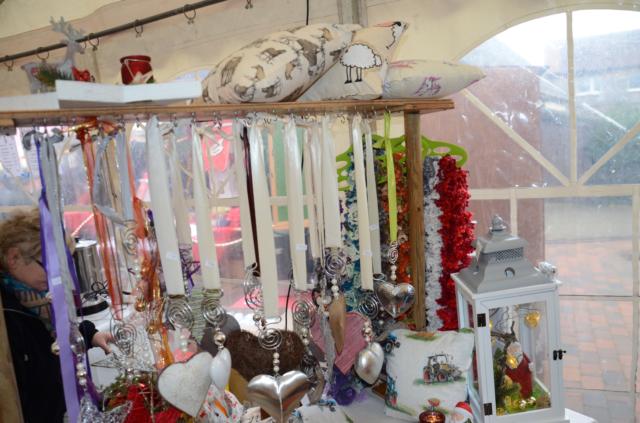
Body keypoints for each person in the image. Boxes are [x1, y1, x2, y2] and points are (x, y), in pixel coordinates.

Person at [0, 209, 113, 423]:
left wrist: (89, 334)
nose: (60, 276)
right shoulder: (7, 317)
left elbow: (56, 332)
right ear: (14, 258)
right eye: (52, 267)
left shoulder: (37, 299)